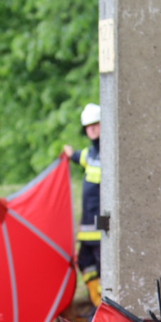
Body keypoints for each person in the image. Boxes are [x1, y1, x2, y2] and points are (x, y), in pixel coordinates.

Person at [62, 104, 102, 308]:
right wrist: (68, 153)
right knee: (86, 261)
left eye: (95, 124)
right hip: (88, 225)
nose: (92, 129)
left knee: (105, 266)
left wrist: (107, 225)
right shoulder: (88, 154)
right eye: (88, 126)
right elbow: (77, 156)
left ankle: (106, 307)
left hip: (104, 221)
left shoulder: (113, 153)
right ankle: (98, 304)